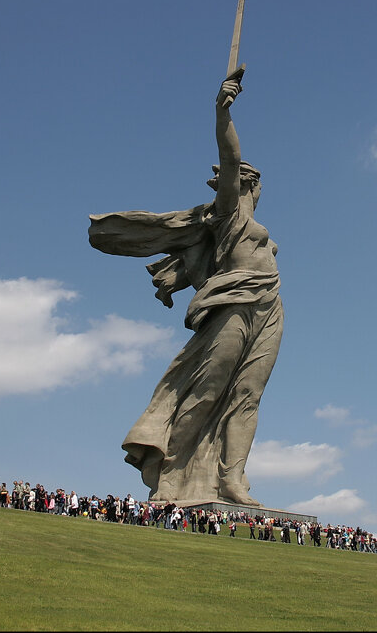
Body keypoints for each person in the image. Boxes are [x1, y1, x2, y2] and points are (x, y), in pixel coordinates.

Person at [89, 69, 282, 506]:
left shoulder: (262, 232)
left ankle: (233, 479)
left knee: (248, 395)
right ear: (247, 184)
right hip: (233, 304)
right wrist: (222, 111)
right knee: (208, 389)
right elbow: (230, 157)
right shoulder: (230, 216)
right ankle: (173, 474)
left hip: (270, 306)